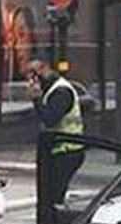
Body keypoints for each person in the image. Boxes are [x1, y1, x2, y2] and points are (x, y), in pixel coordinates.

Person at [26, 58, 85, 204]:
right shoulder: (50, 89)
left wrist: (37, 99)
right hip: (55, 149)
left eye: (34, 72)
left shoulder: (61, 91)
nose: (32, 78)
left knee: (54, 197)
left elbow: (50, 118)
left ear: (45, 68)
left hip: (67, 150)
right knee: (47, 196)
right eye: (28, 74)